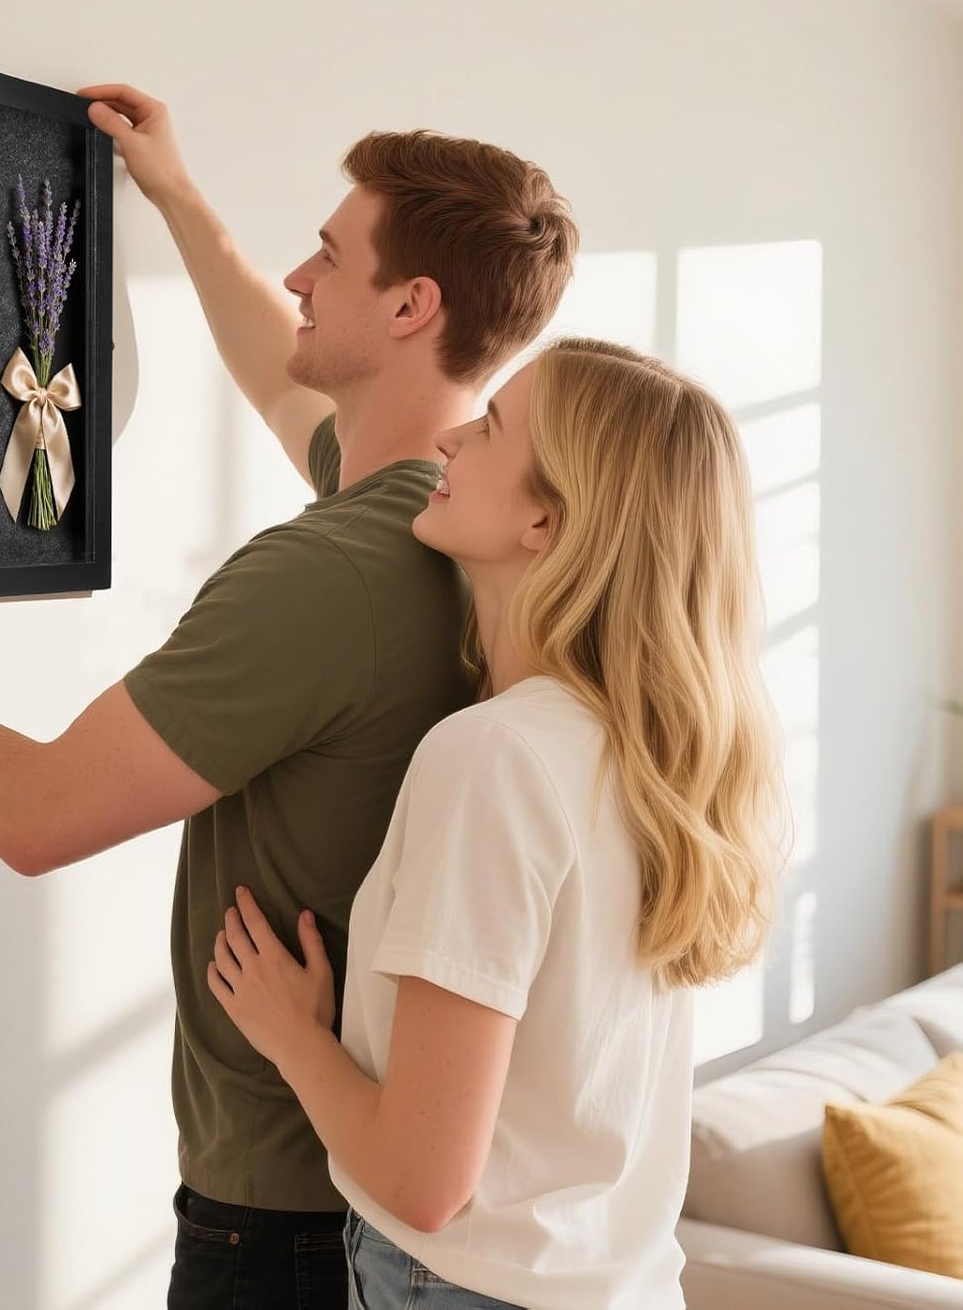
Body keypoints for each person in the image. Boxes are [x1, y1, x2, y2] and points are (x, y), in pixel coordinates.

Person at [0, 84, 577, 1310]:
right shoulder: (468, 529)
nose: (300, 276)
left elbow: (37, 814)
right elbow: (280, 371)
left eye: (331, 256)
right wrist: (179, 198)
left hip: (285, 1215)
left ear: (412, 306)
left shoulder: (332, 573)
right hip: (344, 1193)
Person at [207, 340, 788, 1310]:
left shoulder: (494, 759)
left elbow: (421, 1182)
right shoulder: (647, 755)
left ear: (543, 517)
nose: (447, 434)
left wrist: (293, 1035)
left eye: (486, 428)